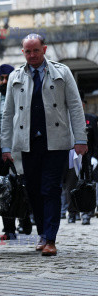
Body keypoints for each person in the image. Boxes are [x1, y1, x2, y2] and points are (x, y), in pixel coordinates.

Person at [1, 33, 87, 256]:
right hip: (27, 143)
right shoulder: (15, 76)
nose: (31, 55)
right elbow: (7, 113)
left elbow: (76, 107)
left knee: (50, 188)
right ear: (23, 52)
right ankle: (42, 233)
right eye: (27, 51)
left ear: (44, 49)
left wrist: (80, 139)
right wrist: (6, 146)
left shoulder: (62, 71)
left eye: (35, 50)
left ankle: (50, 238)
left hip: (56, 142)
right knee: (33, 191)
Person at [0, 64, 32, 239]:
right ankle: (9, 229)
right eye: (1, 78)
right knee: (1, 189)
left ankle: (25, 219)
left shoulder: (24, 98)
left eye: (7, 78)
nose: (4, 81)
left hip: (19, 150)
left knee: (22, 187)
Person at [61, 90, 98, 225]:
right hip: (71, 155)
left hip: (87, 156)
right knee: (71, 184)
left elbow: (96, 141)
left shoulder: (91, 119)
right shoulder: (66, 120)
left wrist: (95, 157)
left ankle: (87, 212)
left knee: (87, 184)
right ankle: (72, 213)